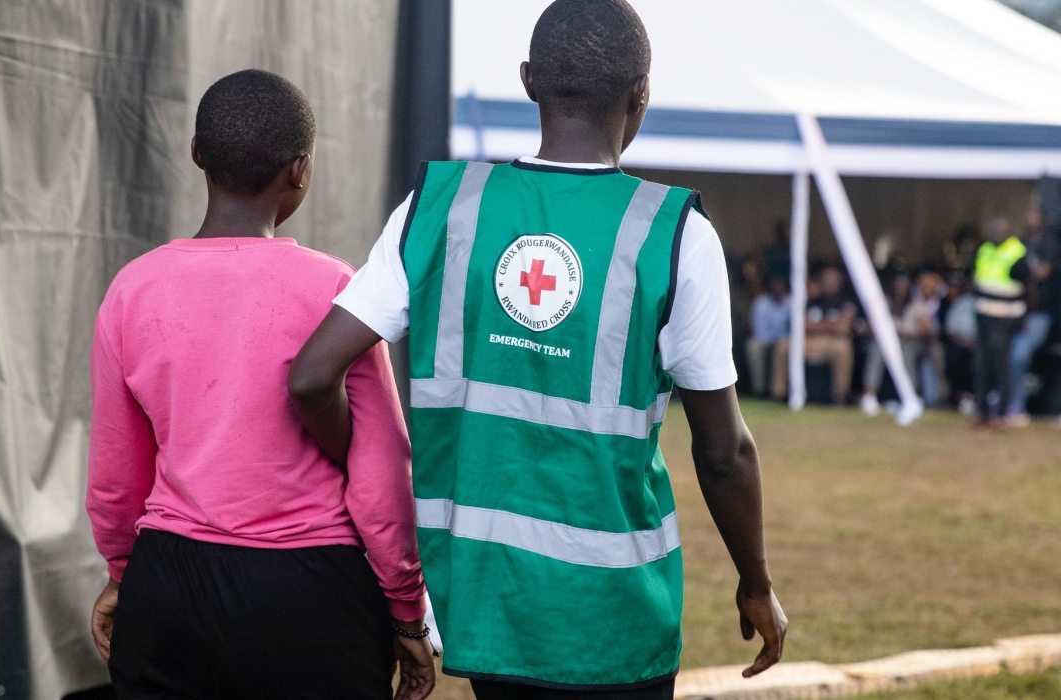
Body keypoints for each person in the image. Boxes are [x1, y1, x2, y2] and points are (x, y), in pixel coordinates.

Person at [289, 2, 787, 697]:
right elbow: (724, 451)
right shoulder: (675, 234)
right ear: (641, 91)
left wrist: (364, 464)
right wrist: (756, 582)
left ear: (528, 81)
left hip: (487, 605)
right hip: (617, 619)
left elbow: (313, 374)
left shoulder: (436, 208)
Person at [84, 70, 435, 700]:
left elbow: (116, 480)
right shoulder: (336, 290)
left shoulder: (131, 290)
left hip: (169, 588)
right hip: (312, 596)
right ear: (300, 169)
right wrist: (405, 607)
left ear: (197, 155)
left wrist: (123, 573)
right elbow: (381, 472)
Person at [972, 216, 1030, 429]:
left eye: (1000, 229)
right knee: (981, 365)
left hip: (1005, 318)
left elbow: (1028, 286)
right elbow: (977, 279)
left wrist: (1022, 317)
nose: (996, 233)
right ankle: (982, 413)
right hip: (984, 316)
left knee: (1000, 366)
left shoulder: (1016, 251)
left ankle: (1002, 414)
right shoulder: (985, 250)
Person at [771, 265, 856, 404]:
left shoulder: (846, 300)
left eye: (832, 280)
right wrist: (830, 324)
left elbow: (844, 327)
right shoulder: (811, 299)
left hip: (831, 343)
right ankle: (779, 394)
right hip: (808, 341)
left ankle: (840, 395)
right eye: (825, 280)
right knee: (782, 346)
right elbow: (802, 324)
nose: (828, 283)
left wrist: (818, 325)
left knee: (843, 348)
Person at [1006, 206, 1057, 426]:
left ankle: (1017, 404)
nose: (1030, 222)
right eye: (1027, 218)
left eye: (1034, 218)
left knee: (1018, 354)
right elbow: (1013, 272)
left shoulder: (1050, 244)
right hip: (1017, 311)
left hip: (1041, 314)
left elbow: (1042, 272)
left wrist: (1030, 274)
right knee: (1008, 356)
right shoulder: (1020, 245)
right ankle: (1012, 405)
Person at [859, 273, 936, 416]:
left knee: (906, 352)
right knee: (876, 349)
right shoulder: (884, 303)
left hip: (910, 342)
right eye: (898, 285)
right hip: (886, 342)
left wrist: (909, 331)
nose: (901, 289)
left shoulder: (917, 305)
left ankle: (911, 396)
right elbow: (870, 327)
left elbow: (927, 330)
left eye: (904, 286)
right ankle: (869, 396)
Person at [747, 276, 791, 397]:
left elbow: (794, 328)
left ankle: (781, 391)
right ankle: (759, 390)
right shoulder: (761, 302)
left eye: (780, 284)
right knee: (754, 347)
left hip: (785, 340)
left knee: (783, 347)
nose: (777, 288)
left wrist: (781, 341)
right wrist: (772, 341)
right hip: (765, 340)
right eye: (775, 284)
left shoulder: (791, 302)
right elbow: (759, 329)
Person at [942, 271, 978, 414]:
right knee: (955, 358)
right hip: (959, 343)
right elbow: (950, 329)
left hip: (979, 346)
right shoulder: (961, 303)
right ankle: (958, 396)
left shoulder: (986, 305)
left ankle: (977, 397)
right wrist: (963, 341)